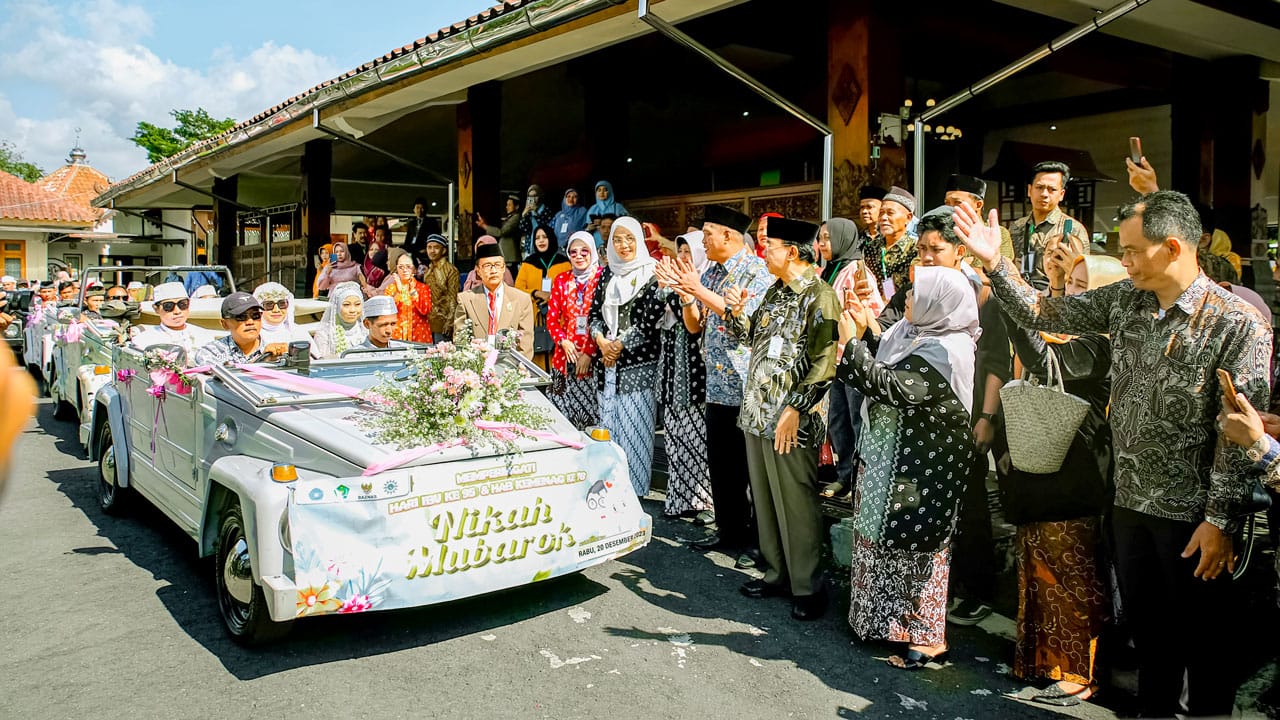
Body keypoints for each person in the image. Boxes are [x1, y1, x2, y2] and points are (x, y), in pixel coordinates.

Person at [954, 192, 1272, 718]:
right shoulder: (1126, 300)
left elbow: (1240, 434)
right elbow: (1042, 310)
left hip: (1196, 517)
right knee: (1153, 642)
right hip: (1128, 505)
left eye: (1131, 250)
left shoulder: (1238, 323)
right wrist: (995, 263)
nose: (1122, 261)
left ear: (1173, 248)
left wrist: (1219, 520)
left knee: (1205, 651)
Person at [837, 265, 979, 668]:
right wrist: (866, 332)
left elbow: (893, 386)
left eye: (917, 294)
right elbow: (888, 359)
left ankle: (927, 636)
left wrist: (850, 344)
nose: (908, 299)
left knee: (920, 549)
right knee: (882, 539)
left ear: (939, 303)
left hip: (924, 467)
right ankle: (883, 622)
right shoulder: (912, 332)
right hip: (890, 456)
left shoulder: (947, 350)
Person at [1003, 254, 1126, 707]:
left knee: (1070, 571)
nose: (1075, 293)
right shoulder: (1070, 331)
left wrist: (1007, 295)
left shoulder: (1100, 344)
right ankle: (1042, 660)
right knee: (1038, 562)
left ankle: (1079, 671)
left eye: (1085, 287)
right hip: (1044, 461)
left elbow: (1043, 359)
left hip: (1078, 469)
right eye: (1071, 283)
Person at [721, 217, 839, 621]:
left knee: (796, 502)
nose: (763, 253)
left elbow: (825, 361)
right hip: (758, 413)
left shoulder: (819, 296)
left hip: (791, 418)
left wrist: (797, 408)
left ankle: (807, 587)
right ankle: (776, 574)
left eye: (768, 246)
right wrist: (737, 313)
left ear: (791, 251)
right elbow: (751, 337)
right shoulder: (776, 291)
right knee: (766, 499)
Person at [655, 204, 773, 568]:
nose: (702, 240)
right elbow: (694, 326)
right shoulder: (711, 272)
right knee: (722, 465)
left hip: (748, 384)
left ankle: (758, 544)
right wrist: (688, 295)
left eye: (707, 234)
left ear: (728, 236)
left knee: (752, 471)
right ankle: (729, 531)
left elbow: (745, 319)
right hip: (717, 384)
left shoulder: (756, 271)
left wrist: (697, 289)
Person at [589, 216, 664, 496]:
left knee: (636, 432)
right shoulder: (607, 274)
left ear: (639, 241)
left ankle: (634, 494)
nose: (624, 245)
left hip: (637, 367)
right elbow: (594, 314)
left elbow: (649, 321)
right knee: (608, 430)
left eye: (630, 239)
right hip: (607, 366)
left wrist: (618, 345)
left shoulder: (652, 273)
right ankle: (610, 492)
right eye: (617, 240)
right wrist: (601, 341)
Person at [815, 217, 883, 501]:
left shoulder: (858, 270)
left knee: (857, 420)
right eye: (820, 238)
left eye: (827, 238)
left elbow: (872, 312)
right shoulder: (829, 270)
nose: (822, 244)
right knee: (837, 421)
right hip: (834, 360)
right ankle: (844, 476)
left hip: (853, 357)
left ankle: (860, 480)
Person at [658, 231, 714, 519]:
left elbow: (694, 326)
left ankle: (704, 502)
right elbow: (650, 317)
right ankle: (678, 500)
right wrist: (664, 288)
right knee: (675, 439)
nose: (682, 257)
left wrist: (677, 290)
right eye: (680, 251)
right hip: (671, 373)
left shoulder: (706, 284)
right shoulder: (671, 285)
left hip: (696, 377)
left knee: (698, 441)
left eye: (688, 252)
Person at [546, 232, 603, 429]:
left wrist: (588, 352)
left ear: (592, 251)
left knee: (590, 422)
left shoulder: (602, 278)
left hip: (594, 359)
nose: (579, 256)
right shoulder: (561, 280)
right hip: (564, 357)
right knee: (561, 421)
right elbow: (552, 319)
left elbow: (604, 319)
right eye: (573, 252)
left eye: (584, 251)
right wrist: (563, 341)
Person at [1008, 161, 1091, 290]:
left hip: (1056, 295)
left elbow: (1083, 275)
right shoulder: (1017, 227)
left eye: (1052, 189)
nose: (1044, 194)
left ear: (1061, 194)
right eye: (1039, 187)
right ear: (1029, 190)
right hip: (1020, 294)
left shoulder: (1072, 229)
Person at [456, 243, 535, 359]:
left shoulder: (521, 299)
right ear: (478, 270)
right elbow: (460, 341)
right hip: (477, 364)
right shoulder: (466, 300)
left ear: (504, 268)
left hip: (509, 366)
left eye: (497, 265)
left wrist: (517, 368)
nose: (493, 270)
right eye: (487, 266)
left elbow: (525, 346)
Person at [195, 292, 288, 366]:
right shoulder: (211, 352)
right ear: (225, 324)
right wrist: (262, 361)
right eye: (241, 317)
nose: (250, 322)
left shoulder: (276, 351)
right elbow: (225, 377)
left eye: (255, 316)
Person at [131, 282, 217, 360]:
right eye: (168, 306)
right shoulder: (144, 340)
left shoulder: (204, 335)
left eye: (182, 304)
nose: (177, 311)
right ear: (156, 309)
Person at [943, 174, 1014, 261]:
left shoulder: (998, 234)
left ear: (978, 205)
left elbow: (1003, 267)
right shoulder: (940, 232)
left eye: (957, 202)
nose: (950, 208)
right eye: (947, 203)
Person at [515, 224, 570, 311]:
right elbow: (518, 290)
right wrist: (536, 293)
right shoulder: (528, 263)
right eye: (537, 238)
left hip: (559, 312)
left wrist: (552, 296)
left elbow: (571, 289)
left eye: (544, 237)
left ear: (551, 238)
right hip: (533, 313)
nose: (541, 241)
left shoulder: (564, 263)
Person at [876, 186, 917, 297]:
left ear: (908, 218)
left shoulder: (916, 249)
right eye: (881, 213)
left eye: (890, 213)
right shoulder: (871, 247)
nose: (883, 218)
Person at [384, 251, 432, 343]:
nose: (404, 270)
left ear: (415, 269)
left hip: (419, 335)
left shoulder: (423, 288)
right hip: (397, 335)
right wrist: (398, 292)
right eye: (401, 267)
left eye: (408, 267)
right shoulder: (391, 288)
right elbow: (387, 311)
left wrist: (413, 292)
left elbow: (425, 310)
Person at [310, 282, 367, 359]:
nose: (352, 310)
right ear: (336, 307)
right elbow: (322, 361)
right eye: (346, 305)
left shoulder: (366, 329)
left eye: (357, 304)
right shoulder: (325, 333)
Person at [421, 234, 459, 343]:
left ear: (443, 250)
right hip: (427, 321)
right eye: (429, 247)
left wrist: (450, 322)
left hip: (443, 322)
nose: (432, 251)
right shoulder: (428, 270)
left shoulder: (451, 270)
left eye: (436, 247)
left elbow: (453, 298)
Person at [253, 282, 312, 348]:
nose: (276, 310)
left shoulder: (298, 332)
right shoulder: (252, 335)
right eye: (269, 305)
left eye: (282, 304)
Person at [477, 194, 523, 263]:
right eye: (507, 205)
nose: (506, 207)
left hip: (510, 257)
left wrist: (484, 226)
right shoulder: (510, 217)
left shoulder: (516, 218)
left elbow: (501, 232)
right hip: (507, 256)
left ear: (516, 207)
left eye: (509, 205)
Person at [517, 184, 555, 257]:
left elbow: (545, 227)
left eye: (535, 196)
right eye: (530, 196)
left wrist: (536, 212)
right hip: (530, 245)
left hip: (543, 245)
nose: (533, 198)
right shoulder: (528, 211)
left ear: (540, 196)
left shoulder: (546, 210)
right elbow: (523, 229)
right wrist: (524, 215)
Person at [586, 180, 628, 247]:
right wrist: (589, 228)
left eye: (605, 190)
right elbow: (587, 228)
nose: (602, 193)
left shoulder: (618, 207)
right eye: (599, 190)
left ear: (610, 191)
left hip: (615, 240)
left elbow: (626, 224)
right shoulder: (593, 209)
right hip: (597, 242)